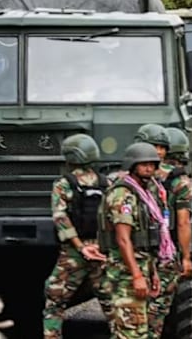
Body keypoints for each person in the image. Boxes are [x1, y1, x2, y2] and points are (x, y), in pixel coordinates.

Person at [99, 142, 173, 338]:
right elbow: (123, 239)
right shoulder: (123, 194)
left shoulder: (145, 193)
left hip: (142, 267)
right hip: (125, 274)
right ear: (133, 166)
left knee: (139, 330)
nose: (149, 168)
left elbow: (146, 243)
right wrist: (137, 276)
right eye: (143, 164)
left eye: (152, 164)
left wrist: (152, 273)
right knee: (132, 332)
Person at [43, 134, 113, 339]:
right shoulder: (105, 182)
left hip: (74, 252)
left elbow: (60, 218)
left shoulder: (63, 184)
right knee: (112, 303)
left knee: (54, 302)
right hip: (102, 252)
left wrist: (80, 246)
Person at [150, 127, 192, 337]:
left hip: (135, 251)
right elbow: (183, 223)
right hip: (164, 251)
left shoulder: (127, 177)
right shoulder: (180, 181)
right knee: (159, 306)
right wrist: (186, 257)